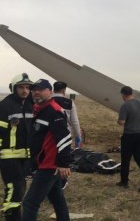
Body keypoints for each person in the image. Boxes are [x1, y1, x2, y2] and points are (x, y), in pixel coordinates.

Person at [21, 79, 73, 221]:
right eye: (34, 89)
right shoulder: (40, 109)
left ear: (50, 92)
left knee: (30, 203)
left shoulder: (54, 111)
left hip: (48, 165)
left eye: (41, 89)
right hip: (45, 163)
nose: (36, 92)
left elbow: (65, 137)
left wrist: (64, 163)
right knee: (57, 199)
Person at [0, 73, 34, 221]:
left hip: (25, 156)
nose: (25, 90)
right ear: (13, 88)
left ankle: (15, 215)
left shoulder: (31, 105)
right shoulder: (4, 106)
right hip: (9, 156)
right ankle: (10, 216)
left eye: (27, 87)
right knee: (13, 188)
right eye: (21, 87)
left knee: (20, 188)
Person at [117, 86, 140, 192]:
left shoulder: (124, 105)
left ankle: (124, 181)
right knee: (139, 157)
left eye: (122, 95)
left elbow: (122, 122)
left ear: (123, 94)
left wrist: (118, 120)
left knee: (125, 159)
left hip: (129, 135)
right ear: (131, 93)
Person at [53, 81, 82, 148]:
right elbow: (75, 121)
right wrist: (78, 135)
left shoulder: (48, 102)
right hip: (66, 134)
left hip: (51, 134)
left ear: (54, 90)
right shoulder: (70, 103)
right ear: (64, 90)